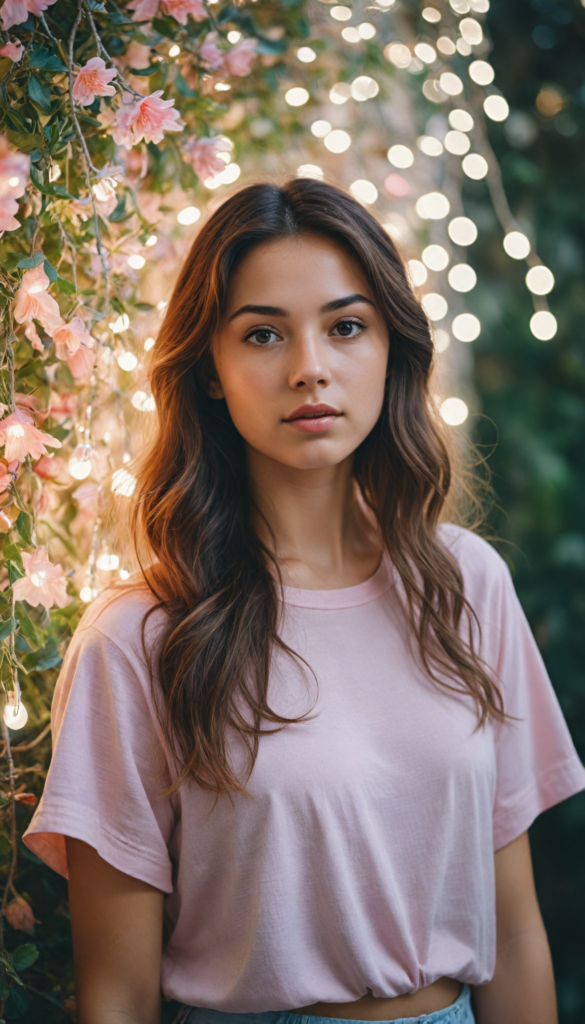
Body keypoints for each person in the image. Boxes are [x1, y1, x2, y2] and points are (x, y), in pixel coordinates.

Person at [24, 179, 585, 1024]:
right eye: (261, 334)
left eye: (346, 326)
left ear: (390, 347)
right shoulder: (141, 636)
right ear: (209, 371)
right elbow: (117, 994)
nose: (309, 367)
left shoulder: (466, 584)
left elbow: (512, 932)